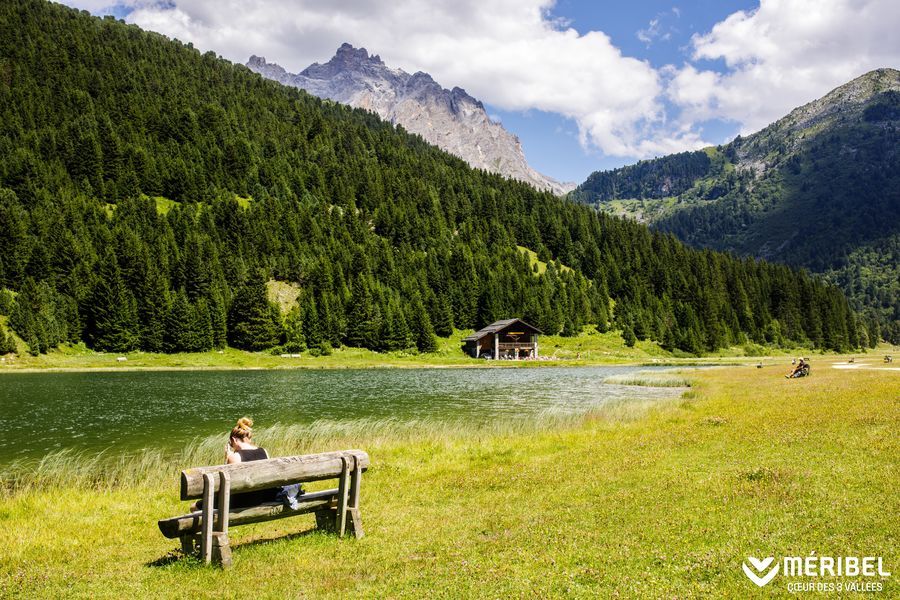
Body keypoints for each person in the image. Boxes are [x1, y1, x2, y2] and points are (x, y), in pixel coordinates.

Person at [192, 417, 281, 510]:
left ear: (234, 440)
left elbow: (224, 484)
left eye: (231, 444)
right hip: (261, 498)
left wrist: (226, 458)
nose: (232, 447)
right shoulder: (264, 451)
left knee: (194, 507)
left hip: (241, 502)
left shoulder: (235, 457)